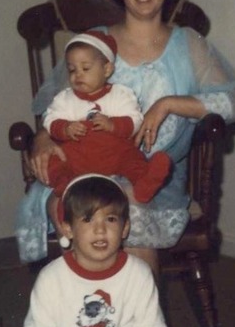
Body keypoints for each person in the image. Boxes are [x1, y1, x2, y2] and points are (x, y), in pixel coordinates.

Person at [15, 0, 235, 276]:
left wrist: (168, 104)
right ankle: (83, 325)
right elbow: (56, 108)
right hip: (83, 171)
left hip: (153, 181)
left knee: (123, 210)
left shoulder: (189, 45)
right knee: (85, 207)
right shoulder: (94, 44)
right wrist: (43, 139)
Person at [22, 174, 167, 327]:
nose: (100, 230)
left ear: (125, 228)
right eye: (88, 219)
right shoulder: (51, 278)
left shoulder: (139, 275)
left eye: (110, 219)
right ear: (68, 229)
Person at [44, 30, 172, 221]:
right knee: (55, 160)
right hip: (79, 156)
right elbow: (49, 119)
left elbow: (135, 120)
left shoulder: (120, 94)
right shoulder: (65, 98)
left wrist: (113, 124)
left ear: (106, 70)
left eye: (85, 68)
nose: (77, 75)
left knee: (132, 157)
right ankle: (65, 185)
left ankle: (144, 182)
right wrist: (65, 128)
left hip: (114, 154)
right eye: (72, 69)